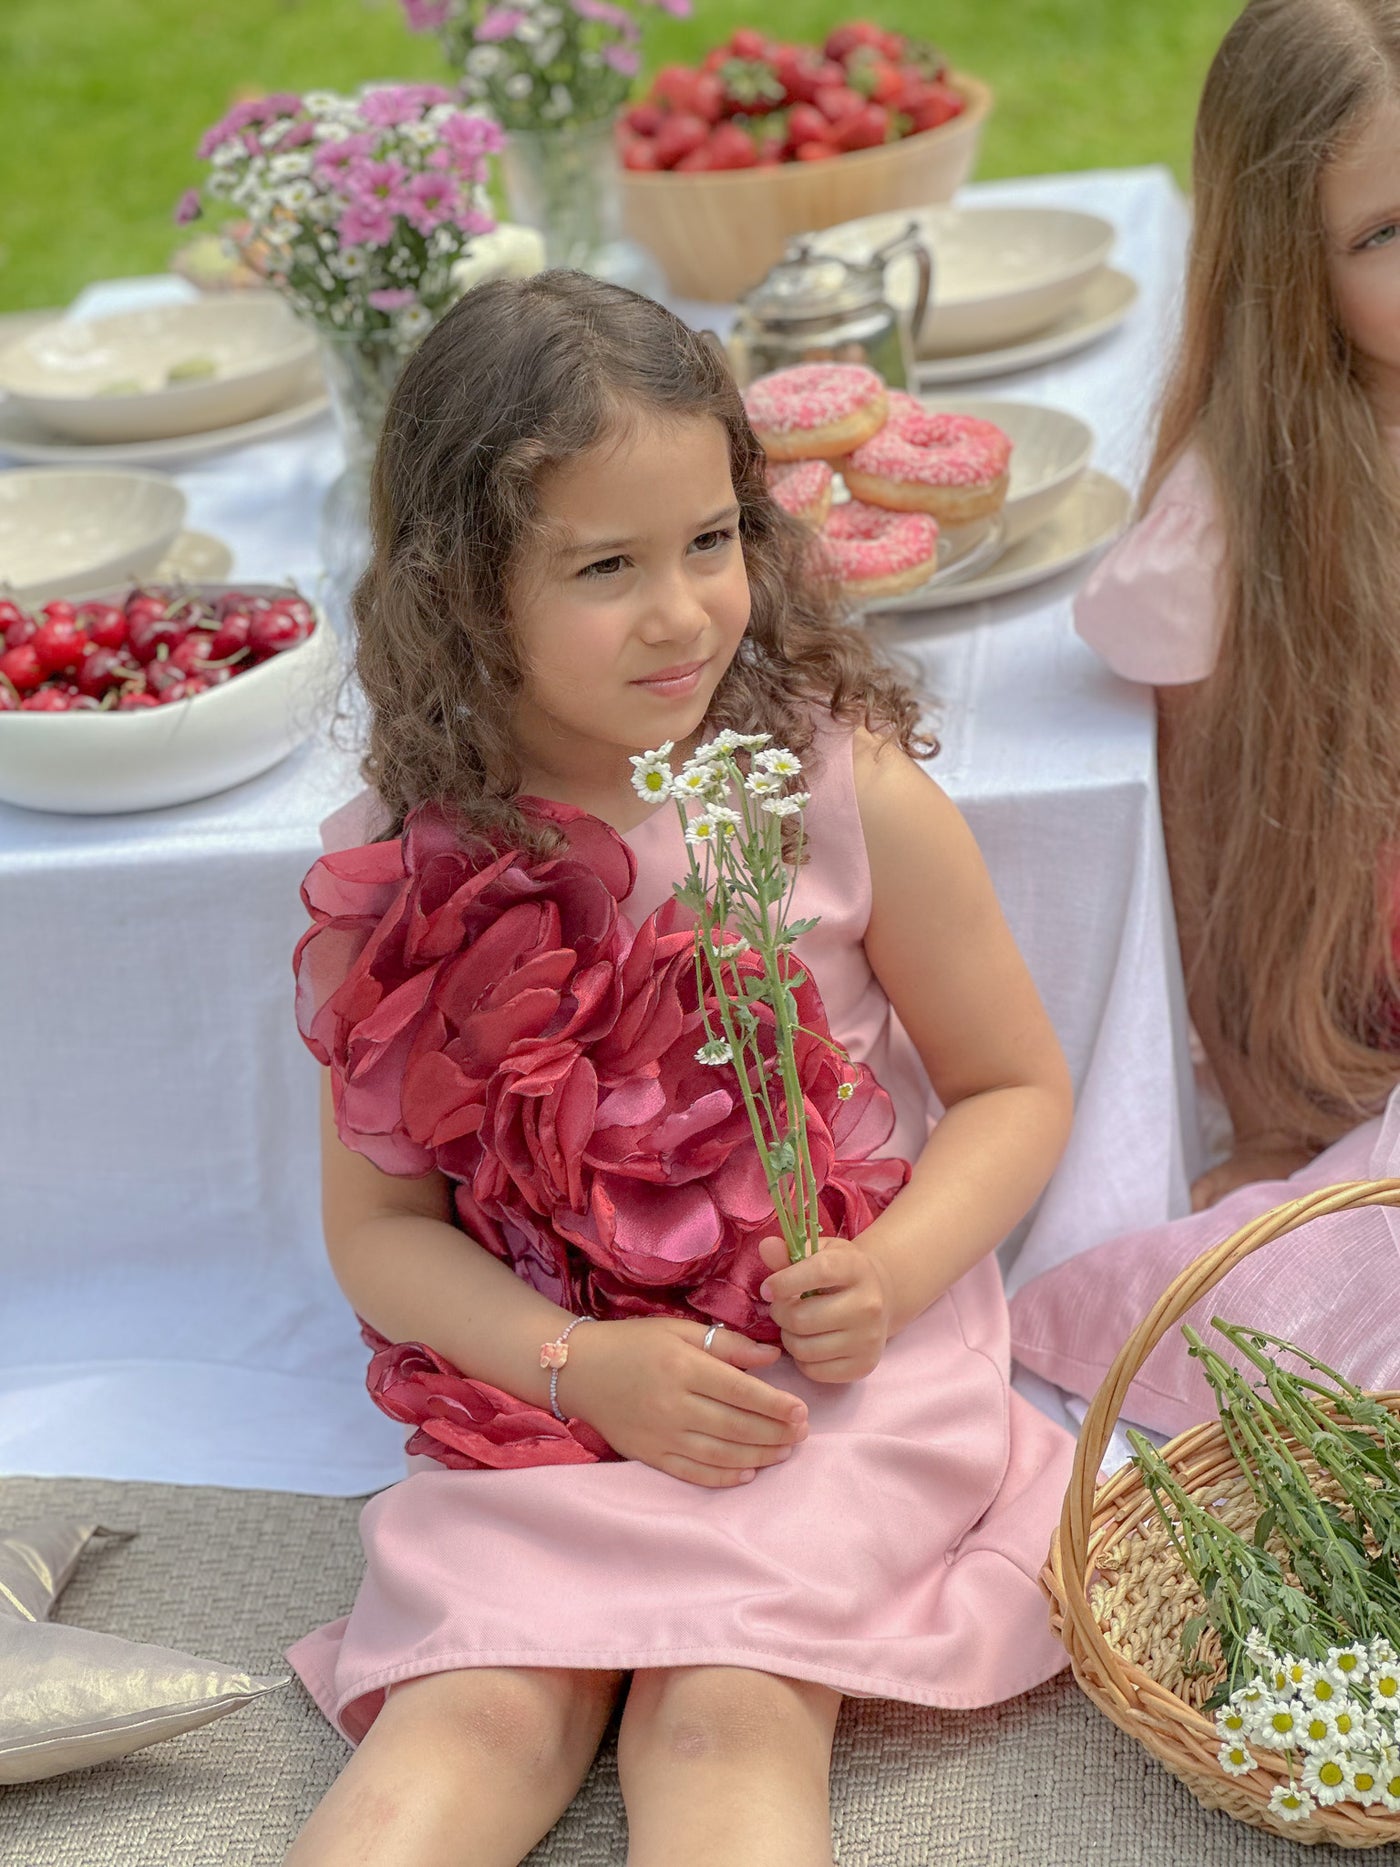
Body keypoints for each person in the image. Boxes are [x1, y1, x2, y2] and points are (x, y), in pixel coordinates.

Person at [283, 270, 1076, 1867]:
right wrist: (582, 1366)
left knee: (726, 1707)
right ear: (461, 589)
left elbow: (1014, 1085)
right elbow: (382, 1229)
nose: (681, 610)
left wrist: (894, 1265)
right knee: (479, 1708)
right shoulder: (415, 863)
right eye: (604, 565)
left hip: (823, 1383)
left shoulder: (835, 793)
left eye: (711, 540)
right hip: (558, 1388)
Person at [1074, 0, 1400, 1211]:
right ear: (1287, 268)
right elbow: (1212, 860)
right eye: (1382, 232)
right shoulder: (1233, 522)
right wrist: (1267, 1119)